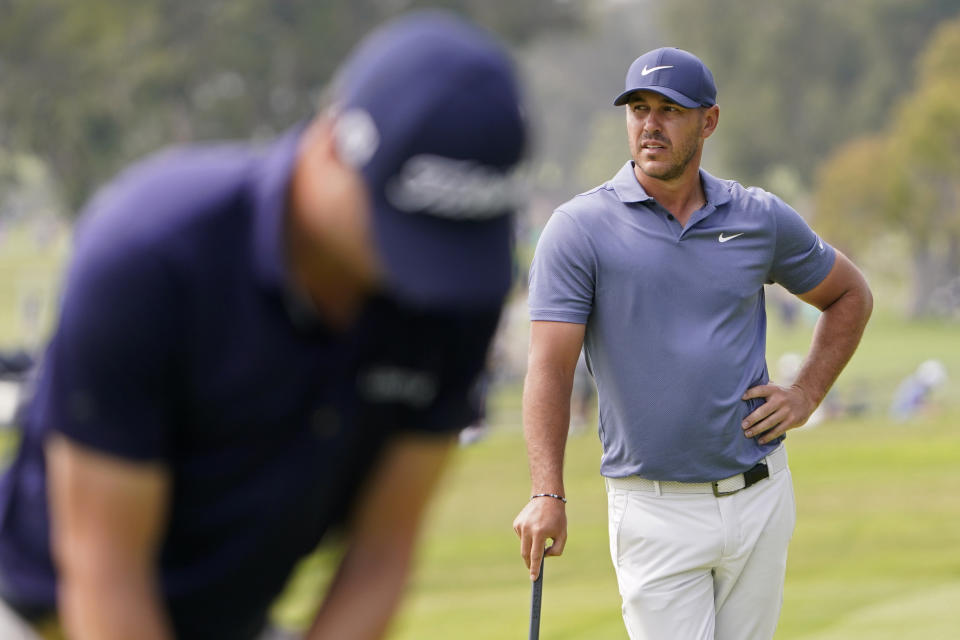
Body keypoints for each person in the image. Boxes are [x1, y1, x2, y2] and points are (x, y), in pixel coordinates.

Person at [0, 11, 527, 640]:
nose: (420, 273)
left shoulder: (453, 294)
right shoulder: (151, 252)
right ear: (331, 142)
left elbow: (381, 551)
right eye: (401, 231)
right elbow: (103, 568)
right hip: (45, 613)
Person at [512, 47, 872, 640]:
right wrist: (546, 490)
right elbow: (549, 370)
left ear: (708, 121)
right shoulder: (578, 230)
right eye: (638, 110)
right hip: (652, 509)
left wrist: (807, 392)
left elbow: (850, 295)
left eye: (669, 110)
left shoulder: (757, 217)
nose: (649, 125)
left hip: (759, 495)